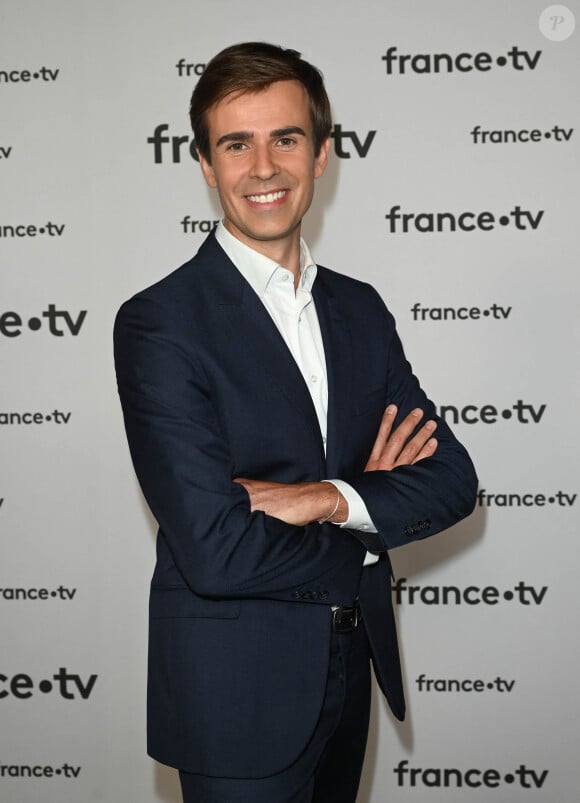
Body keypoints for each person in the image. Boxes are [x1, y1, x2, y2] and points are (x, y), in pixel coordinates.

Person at [114, 42, 477, 803]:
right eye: (235, 144)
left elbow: (451, 480)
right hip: (235, 697)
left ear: (322, 154)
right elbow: (214, 550)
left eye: (286, 138)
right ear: (207, 167)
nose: (263, 167)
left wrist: (329, 497)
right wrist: (370, 532)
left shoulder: (361, 309)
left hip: (350, 683)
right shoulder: (160, 324)